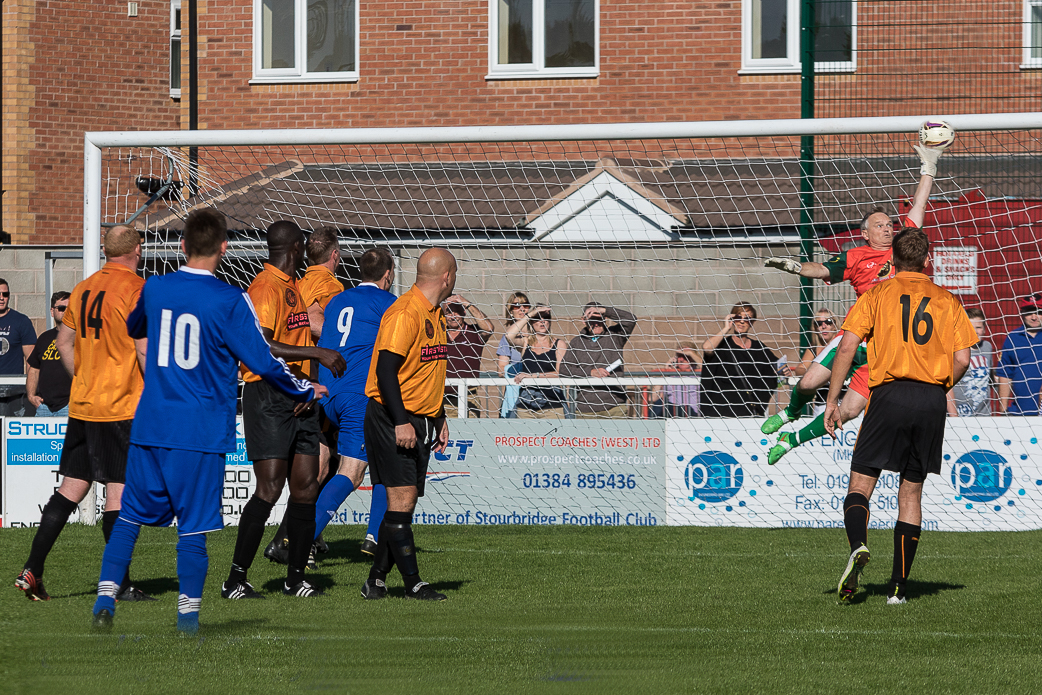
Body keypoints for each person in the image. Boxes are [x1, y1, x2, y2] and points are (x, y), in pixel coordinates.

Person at [90, 209, 325, 634]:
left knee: (129, 517)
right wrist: (306, 389)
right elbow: (265, 362)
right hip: (199, 431)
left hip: (152, 424)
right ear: (224, 247)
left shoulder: (156, 287)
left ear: (181, 246)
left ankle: (105, 599)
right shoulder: (228, 300)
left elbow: (135, 326)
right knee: (193, 529)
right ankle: (187, 621)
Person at [761, 136, 946, 464]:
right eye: (880, 225)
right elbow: (821, 268)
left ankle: (792, 439)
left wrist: (928, 168)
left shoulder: (903, 248)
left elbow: (918, 206)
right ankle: (791, 411)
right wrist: (793, 266)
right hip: (857, 335)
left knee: (848, 411)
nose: (888, 228)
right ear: (865, 234)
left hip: (884, 349)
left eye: (890, 224)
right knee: (807, 383)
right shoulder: (855, 256)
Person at [823, 228, 976, 604]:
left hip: (889, 394)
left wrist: (832, 400)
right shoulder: (948, 300)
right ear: (928, 260)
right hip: (930, 398)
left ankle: (859, 545)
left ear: (893, 259)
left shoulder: (877, 294)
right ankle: (898, 590)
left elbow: (846, 346)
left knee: (860, 485)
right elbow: (963, 360)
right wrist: (939, 387)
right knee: (911, 491)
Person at [16, 226, 152, 602]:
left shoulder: (85, 288)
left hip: (84, 405)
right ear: (137, 250)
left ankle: (33, 569)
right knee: (118, 493)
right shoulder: (136, 288)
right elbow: (142, 348)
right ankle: (120, 583)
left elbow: (63, 340)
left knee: (72, 488)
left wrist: (85, 377)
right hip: (119, 406)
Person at [221, 220, 346, 600]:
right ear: (294, 248)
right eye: (303, 244)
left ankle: (295, 579)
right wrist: (316, 352)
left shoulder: (294, 287)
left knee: (306, 487)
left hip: (303, 396)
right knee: (270, 487)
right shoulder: (264, 287)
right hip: (269, 397)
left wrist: (308, 380)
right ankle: (235, 580)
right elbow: (261, 347)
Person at [361, 248, 456, 602]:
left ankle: (375, 580)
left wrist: (440, 415)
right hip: (392, 417)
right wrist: (401, 422)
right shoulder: (405, 312)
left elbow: (427, 372)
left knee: (405, 503)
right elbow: (386, 371)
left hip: (420, 419)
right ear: (447, 276)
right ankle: (414, 583)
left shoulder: (436, 314)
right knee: (401, 500)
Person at [263, 226, 345, 565]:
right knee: (323, 462)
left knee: (322, 460)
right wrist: (342, 344)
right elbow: (315, 322)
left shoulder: (298, 281)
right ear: (335, 255)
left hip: (297, 378)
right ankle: (288, 540)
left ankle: (312, 535)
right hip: (316, 378)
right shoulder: (330, 284)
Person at [308, 248, 396, 557]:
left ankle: (374, 537)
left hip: (329, 393)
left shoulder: (338, 300)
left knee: (385, 462)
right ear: (389, 275)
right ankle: (299, 539)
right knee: (352, 472)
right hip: (358, 395)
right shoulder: (389, 304)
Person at [700, 302, 783, 418]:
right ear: (733, 319)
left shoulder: (759, 347)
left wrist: (784, 371)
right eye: (738, 317)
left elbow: (777, 367)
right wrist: (726, 328)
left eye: (747, 318)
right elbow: (707, 348)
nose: (742, 321)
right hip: (721, 413)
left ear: (752, 323)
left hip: (749, 413)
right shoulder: (723, 344)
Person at [559, 302, 637, 418]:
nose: (595, 324)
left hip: (614, 407)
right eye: (591, 320)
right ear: (583, 320)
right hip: (586, 408)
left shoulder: (615, 335)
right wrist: (590, 372)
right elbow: (564, 370)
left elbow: (631, 319)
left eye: (599, 319)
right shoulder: (577, 342)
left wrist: (605, 310)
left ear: (605, 318)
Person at [504, 305, 567, 419]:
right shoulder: (526, 342)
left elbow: (560, 373)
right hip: (526, 404)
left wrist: (532, 376)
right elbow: (508, 336)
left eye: (545, 318)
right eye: (537, 318)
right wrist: (530, 314)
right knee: (526, 437)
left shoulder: (559, 344)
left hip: (551, 404)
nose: (542, 322)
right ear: (532, 322)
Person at [443, 294, 493, 418]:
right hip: (440, 399)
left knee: (468, 436)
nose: (453, 316)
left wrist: (466, 302)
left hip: (468, 397)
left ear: (464, 312)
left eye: (457, 312)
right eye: (449, 313)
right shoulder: (437, 334)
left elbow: (489, 328)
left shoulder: (474, 332)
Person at [27, 292, 73, 417]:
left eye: (70, 308)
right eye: (62, 308)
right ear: (52, 311)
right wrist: (31, 396)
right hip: (44, 407)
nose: (66, 312)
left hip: (69, 406)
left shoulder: (80, 337)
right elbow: (34, 370)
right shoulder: (44, 338)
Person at [996, 293, 1042, 415]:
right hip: (1019, 413)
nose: (1034, 317)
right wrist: (1003, 410)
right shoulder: (1013, 338)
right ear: (1022, 313)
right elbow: (1005, 374)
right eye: (1029, 312)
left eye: (1038, 312)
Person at [0, 277, 39, 416]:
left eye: (5, 294)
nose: (2, 298)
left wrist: (30, 390)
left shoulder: (21, 321)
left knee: (9, 431)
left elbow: (31, 359)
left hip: (14, 389)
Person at [792, 308, 841, 416]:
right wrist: (817, 372)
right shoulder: (814, 348)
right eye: (819, 323)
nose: (824, 326)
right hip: (822, 402)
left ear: (834, 325)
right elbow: (799, 370)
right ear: (815, 327)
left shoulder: (842, 345)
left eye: (828, 322)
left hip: (845, 400)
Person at [948, 307, 994, 416]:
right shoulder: (955, 350)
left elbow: (990, 377)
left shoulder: (987, 347)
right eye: (971, 327)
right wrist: (953, 414)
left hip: (983, 413)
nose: (975, 331)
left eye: (978, 327)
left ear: (984, 329)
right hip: (960, 411)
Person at [497, 292, 531, 418]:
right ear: (511, 311)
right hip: (516, 391)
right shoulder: (507, 338)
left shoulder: (539, 332)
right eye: (516, 306)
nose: (522, 309)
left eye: (526, 305)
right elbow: (501, 370)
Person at [648, 344, 701, 418]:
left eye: (686, 356)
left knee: (667, 405)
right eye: (679, 356)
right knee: (659, 403)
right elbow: (652, 398)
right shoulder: (671, 376)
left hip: (691, 412)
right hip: (671, 411)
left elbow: (708, 369)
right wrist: (665, 374)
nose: (682, 359)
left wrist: (691, 353)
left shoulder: (698, 373)